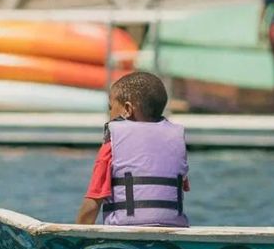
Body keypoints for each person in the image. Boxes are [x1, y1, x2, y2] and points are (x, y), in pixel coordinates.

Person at [76, 71, 190, 227]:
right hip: (173, 232)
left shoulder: (112, 144)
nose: (109, 113)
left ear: (127, 109)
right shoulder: (175, 139)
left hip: (125, 232)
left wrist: (76, 237)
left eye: (111, 107)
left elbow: (92, 204)